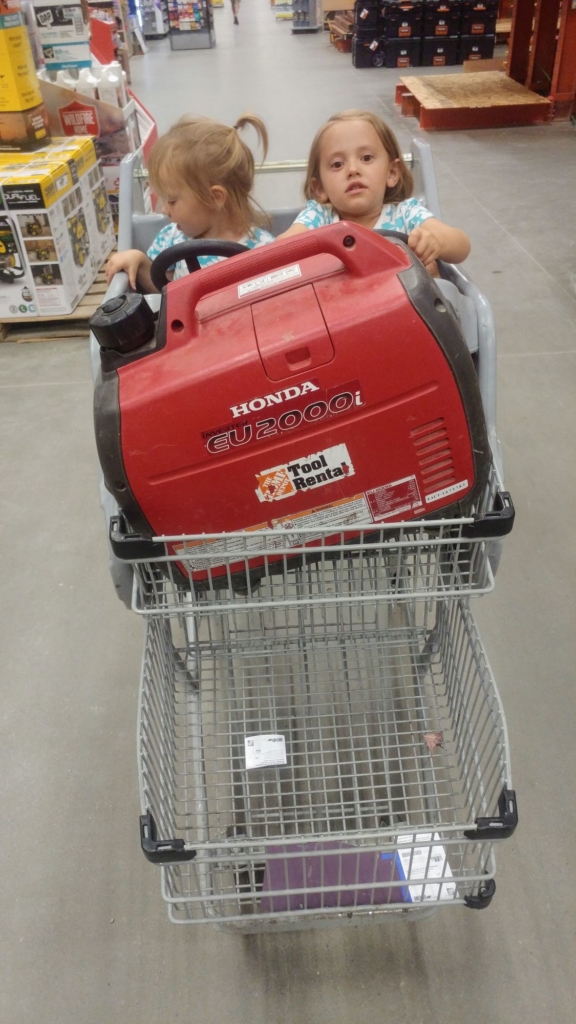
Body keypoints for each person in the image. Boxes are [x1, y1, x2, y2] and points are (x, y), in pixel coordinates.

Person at [278, 109, 470, 271]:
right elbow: (280, 249)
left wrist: (434, 242)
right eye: (337, 164)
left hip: (401, 309)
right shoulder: (319, 217)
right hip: (338, 309)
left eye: (367, 158)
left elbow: (461, 245)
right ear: (319, 188)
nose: (353, 170)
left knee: (432, 272)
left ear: (392, 173)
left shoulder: (405, 214)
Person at [106, 114, 274, 293]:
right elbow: (164, 290)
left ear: (215, 198)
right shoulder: (171, 239)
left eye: (171, 200)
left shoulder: (264, 252)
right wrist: (139, 262)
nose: (164, 210)